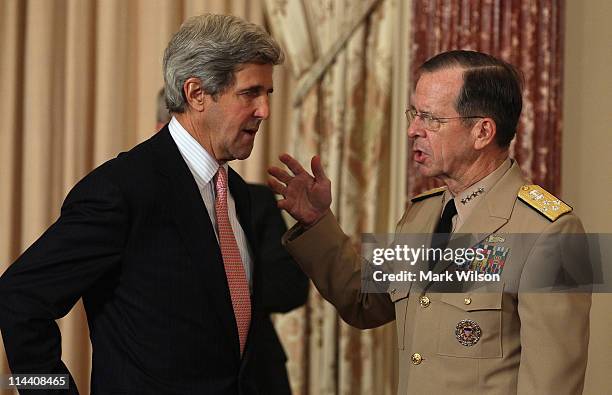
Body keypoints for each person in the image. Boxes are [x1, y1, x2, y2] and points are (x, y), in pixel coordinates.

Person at [268, 50, 591, 394]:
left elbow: (550, 385)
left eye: (430, 119)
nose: (412, 130)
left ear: (482, 132)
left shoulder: (550, 231)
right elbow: (365, 302)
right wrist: (318, 222)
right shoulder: (422, 214)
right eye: (414, 114)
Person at [0, 14, 285, 394]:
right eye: (251, 93)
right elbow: (18, 297)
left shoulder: (236, 191)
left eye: (268, 94)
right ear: (197, 93)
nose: (265, 110)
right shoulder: (121, 189)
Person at [156, 89, 308, 395]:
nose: (262, 111)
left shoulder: (255, 201)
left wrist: (319, 224)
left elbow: (292, 289)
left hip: (258, 379)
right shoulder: (131, 196)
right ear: (164, 129)